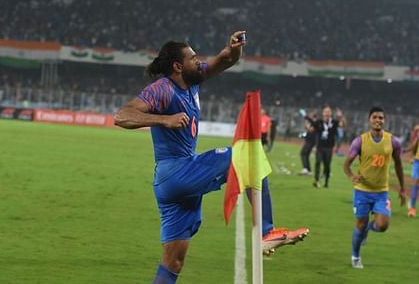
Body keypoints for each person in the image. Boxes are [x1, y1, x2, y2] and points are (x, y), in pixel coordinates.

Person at [114, 32, 308, 284]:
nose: (199, 62)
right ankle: (266, 232)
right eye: (193, 58)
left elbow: (225, 60)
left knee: (173, 262)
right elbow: (122, 115)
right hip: (176, 172)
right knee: (247, 153)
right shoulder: (162, 89)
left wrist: (234, 48)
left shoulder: (193, 81)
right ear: (177, 66)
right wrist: (164, 119)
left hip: (173, 186)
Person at [344, 107, 406, 269]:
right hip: (362, 191)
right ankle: (355, 257)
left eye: (381, 118)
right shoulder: (360, 141)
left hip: (381, 192)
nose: (378, 120)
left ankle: (367, 230)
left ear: (384, 121)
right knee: (360, 224)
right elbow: (347, 163)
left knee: (383, 225)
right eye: (375, 117)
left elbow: (399, 165)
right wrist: (351, 176)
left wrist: (402, 188)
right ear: (369, 120)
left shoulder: (393, 141)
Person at [313, 105, 346, 188]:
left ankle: (326, 182)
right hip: (320, 147)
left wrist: (341, 116)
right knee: (317, 162)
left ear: (331, 113)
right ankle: (316, 180)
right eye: (325, 111)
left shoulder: (334, 122)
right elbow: (311, 130)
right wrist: (307, 125)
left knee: (327, 165)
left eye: (329, 111)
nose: (327, 113)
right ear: (323, 113)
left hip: (329, 147)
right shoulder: (319, 122)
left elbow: (343, 124)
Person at [299, 110, 318, 175]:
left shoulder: (315, 122)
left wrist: (307, 125)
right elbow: (308, 128)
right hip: (309, 140)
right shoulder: (312, 122)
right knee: (306, 155)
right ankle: (308, 170)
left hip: (311, 140)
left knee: (303, 153)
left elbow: (311, 129)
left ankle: (305, 169)